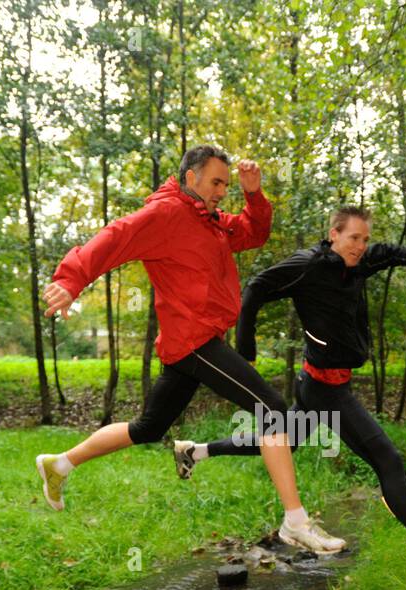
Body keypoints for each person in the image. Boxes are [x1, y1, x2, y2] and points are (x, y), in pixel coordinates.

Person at [34, 144, 345, 554]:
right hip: (192, 341)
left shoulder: (210, 222)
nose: (221, 191)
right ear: (190, 176)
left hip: (193, 342)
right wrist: (71, 280)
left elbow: (253, 233)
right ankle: (296, 522)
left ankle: (60, 464)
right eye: (216, 182)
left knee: (149, 428)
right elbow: (115, 238)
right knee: (273, 412)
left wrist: (254, 195)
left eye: (225, 185)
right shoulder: (166, 214)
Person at [171, 205, 406, 571]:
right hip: (326, 390)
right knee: (388, 460)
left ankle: (196, 451)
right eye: (353, 238)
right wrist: (247, 352)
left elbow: (385, 253)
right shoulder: (309, 265)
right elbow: (255, 289)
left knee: (286, 442)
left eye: (364, 239)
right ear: (334, 233)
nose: (360, 246)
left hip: (317, 383)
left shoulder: (357, 262)